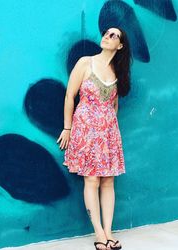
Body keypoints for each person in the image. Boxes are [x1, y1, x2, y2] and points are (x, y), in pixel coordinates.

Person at [57, 27, 132, 250]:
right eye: (107, 33)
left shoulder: (117, 72)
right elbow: (70, 96)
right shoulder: (85, 63)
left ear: (120, 46)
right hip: (86, 131)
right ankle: (99, 234)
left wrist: (107, 127)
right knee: (92, 180)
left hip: (108, 133)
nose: (107, 36)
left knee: (108, 180)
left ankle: (109, 232)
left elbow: (114, 105)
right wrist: (67, 128)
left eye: (113, 35)